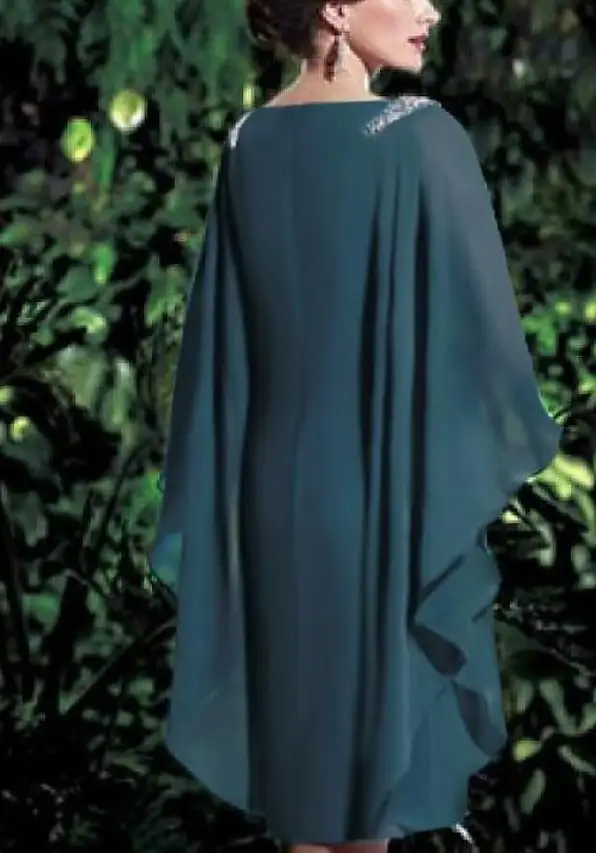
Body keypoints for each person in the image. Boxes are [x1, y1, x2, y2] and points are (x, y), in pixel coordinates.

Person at [148, 1, 563, 852]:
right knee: (365, 810)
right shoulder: (420, 137)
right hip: (373, 494)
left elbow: (224, 348)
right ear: (335, 7)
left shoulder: (246, 144)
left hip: (270, 498)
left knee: (309, 808)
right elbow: (488, 352)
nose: (431, 9)